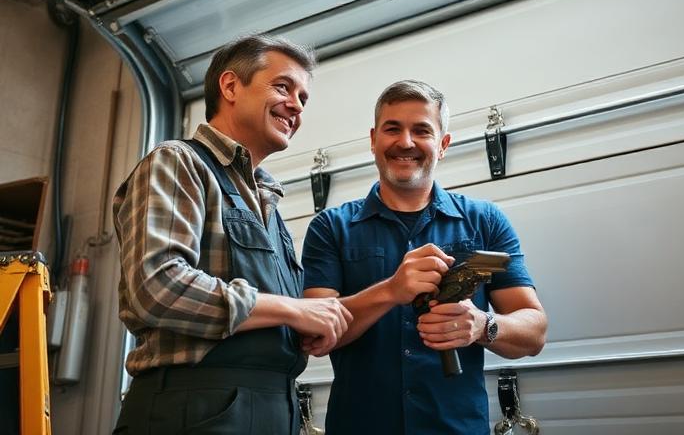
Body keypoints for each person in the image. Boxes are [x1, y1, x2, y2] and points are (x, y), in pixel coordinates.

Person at [112, 35, 352, 434]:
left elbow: (271, 311)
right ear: (230, 86)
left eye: (303, 98)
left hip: (274, 407)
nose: (296, 106)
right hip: (194, 408)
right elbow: (157, 286)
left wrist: (300, 330)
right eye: (283, 87)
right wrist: (293, 310)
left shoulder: (267, 200)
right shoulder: (179, 163)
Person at [302, 80, 547, 434]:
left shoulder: (485, 221)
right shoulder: (330, 228)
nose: (406, 142)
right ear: (373, 140)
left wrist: (483, 325)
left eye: (421, 131)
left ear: (443, 144)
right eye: (392, 129)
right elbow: (313, 333)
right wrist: (390, 291)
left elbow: (535, 331)